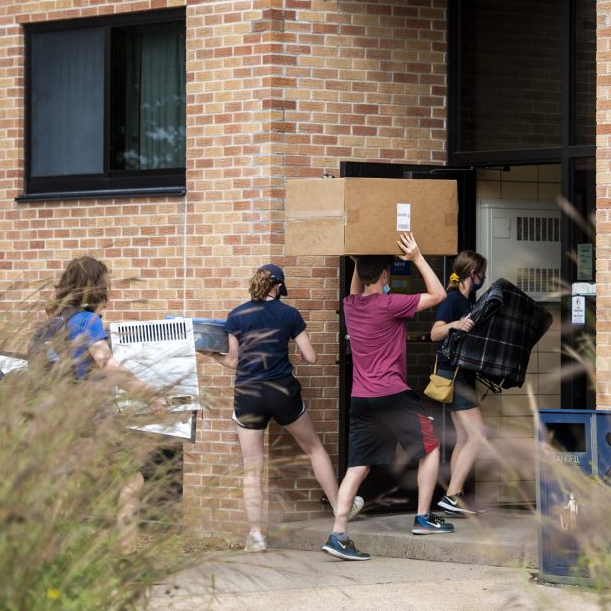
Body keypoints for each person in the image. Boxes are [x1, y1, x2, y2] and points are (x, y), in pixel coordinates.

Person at [207, 263, 363, 553]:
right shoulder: (289, 313)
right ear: (278, 287)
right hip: (282, 391)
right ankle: (340, 507)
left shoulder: (236, 315)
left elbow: (233, 362)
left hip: (248, 394)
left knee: (252, 467)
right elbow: (312, 357)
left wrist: (211, 355)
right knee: (314, 448)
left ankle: (255, 536)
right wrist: (299, 356)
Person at [322, 232, 449, 562]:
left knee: (357, 467)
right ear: (384, 275)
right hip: (393, 394)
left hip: (361, 399)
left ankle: (338, 534)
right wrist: (418, 257)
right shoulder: (392, 304)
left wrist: (357, 265)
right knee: (431, 446)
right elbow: (439, 294)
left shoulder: (351, 306)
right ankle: (423, 518)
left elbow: (355, 290)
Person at [47, 256, 168, 550]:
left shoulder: (52, 322)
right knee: (131, 479)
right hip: (89, 413)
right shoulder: (87, 321)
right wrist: (148, 393)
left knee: (69, 484)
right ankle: (125, 558)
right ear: (95, 286)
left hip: (57, 412)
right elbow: (106, 362)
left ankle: (50, 556)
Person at [429, 250, 490, 516]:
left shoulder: (467, 301)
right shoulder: (452, 300)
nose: (483, 278)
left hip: (459, 376)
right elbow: (435, 332)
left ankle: (453, 495)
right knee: (478, 436)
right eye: (481, 273)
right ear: (471, 274)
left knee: (465, 437)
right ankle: (452, 496)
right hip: (455, 377)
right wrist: (456, 324)